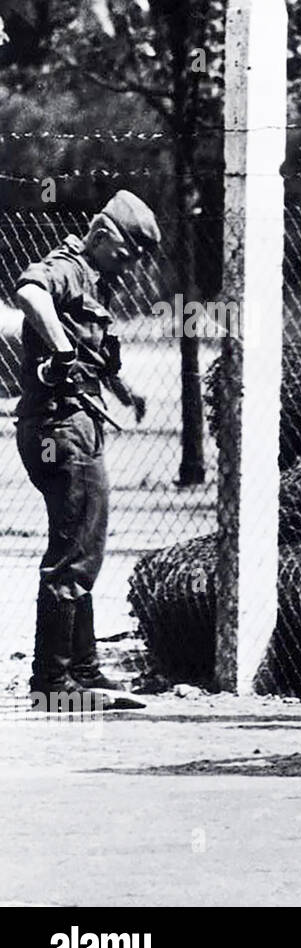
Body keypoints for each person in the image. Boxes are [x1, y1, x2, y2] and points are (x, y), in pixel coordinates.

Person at [15, 189, 157, 711]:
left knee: (83, 544)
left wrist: (122, 391)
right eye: (125, 255)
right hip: (60, 428)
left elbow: (96, 357)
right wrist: (62, 349)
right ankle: (53, 683)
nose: (130, 269)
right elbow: (30, 293)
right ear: (101, 235)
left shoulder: (92, 277)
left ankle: (83, 670)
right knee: (74, 553)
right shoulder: (68, 267)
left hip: (72, 423)